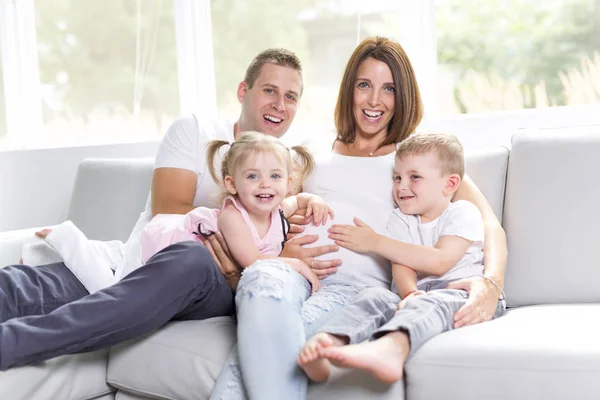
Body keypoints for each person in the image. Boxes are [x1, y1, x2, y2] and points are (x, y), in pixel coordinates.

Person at [0, 48, 341, 371]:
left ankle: (15, 343)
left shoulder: (290, 164)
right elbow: (169, 210)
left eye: (291, 97)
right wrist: (240, 240)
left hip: (213, 281)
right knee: (20, 287)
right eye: (270, 90)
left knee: (190, 259)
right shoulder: (195, 130)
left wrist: (260, 254)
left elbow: (284, 228)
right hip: (150, 262)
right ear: (243, 91)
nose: (279, 104)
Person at [208, 36, 508, 400]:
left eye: (389, 89)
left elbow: (488, 222)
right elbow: (265, 205)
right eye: (364, 85)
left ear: (404, 97)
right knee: (259, 279)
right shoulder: (313, 148)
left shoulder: (416, 158)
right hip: (292, 273)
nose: (374, 100)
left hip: (355, 290)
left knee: (262, 338)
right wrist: (274, 245)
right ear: (349, 89)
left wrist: (491, 283)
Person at [297, 133, 506, 384]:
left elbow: (441, 261)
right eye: (397, 177)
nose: (401, 186)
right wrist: (408, 293)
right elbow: (401, 264)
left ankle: (392, 348)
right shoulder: (400, 218)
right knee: (375, 297)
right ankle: (328, 342)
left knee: (431, 303)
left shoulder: (462, 212)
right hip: (418, 294)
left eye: (414, 177)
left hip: (462, 293)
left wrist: (375, 242)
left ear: (450, 184)